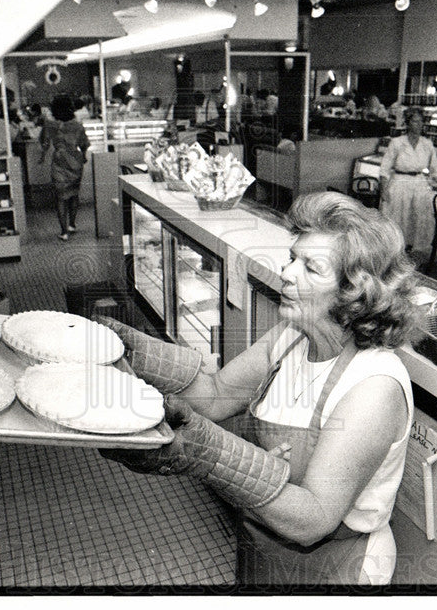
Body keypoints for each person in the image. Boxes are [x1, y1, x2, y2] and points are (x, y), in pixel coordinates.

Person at [98, 192, 419, 585]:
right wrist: (128, 347)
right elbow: (215, 394)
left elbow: (314, 519)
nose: (287, 273)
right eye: (292, 258)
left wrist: (207, 453)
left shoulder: (373, 386)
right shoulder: (291, 337)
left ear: (354, 292)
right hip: (263, 545)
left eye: (311, 268)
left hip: (337, 569)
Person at [379, 107, 437, 253]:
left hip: (419, 185)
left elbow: (435, 171)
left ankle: (412, 253)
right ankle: (395, 252)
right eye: (415, 121)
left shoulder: (427, 144)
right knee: (398, 219)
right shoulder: (397, 143)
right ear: (408, 123)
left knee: (417, 221)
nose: (418, 125)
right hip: (399, 183)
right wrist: (383, 189)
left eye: (421, 122)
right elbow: (384, 169)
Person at [38, 94, 90, 241]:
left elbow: (45, 143)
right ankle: (72, 224)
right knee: (73, 194)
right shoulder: (77, 125)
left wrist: (42, 156)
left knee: (61, 198)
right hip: (75, 162)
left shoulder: (49, 125)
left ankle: (64, 232)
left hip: (59, 163)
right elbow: (84, 144)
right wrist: (84, 156)